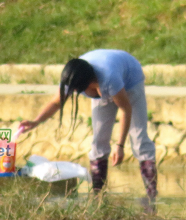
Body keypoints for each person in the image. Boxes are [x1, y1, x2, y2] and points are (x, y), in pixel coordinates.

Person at [19, 50, 157, 198]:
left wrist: (120, 145)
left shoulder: (109, 78)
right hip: (105, 76)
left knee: (139, 140)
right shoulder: (72, 77)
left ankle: (152, 197)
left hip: (130, 79)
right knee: (98, 143)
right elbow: (56, 102)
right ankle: (98, 197)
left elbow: (125, 109)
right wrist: (36, 121)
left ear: (90, 83)